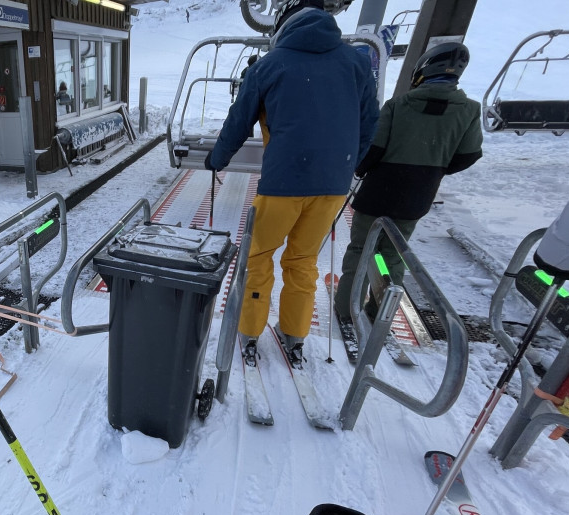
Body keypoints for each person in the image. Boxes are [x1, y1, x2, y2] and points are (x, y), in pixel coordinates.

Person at [204, 0, 378, 367]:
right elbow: (368, 125)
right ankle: (295, 334)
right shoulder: (357, 64)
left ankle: (250, 332)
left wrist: (217, 160)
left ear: (282, 29)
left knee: (259, 256)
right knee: (302, 261)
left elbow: (239, 122)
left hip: (282, 181)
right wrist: (348, 167)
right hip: (333, 186)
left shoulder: (270, 65)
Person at [333, 42, 483, 326]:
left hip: (378, 192)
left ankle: (346, 308)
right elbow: (469, 154)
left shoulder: (399, 105)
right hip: (417, 197)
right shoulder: (469, 110)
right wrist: (434, 169)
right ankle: (380, 313)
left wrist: (362, 168)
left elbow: (372, 150)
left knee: (362, 250)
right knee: (393, 253)